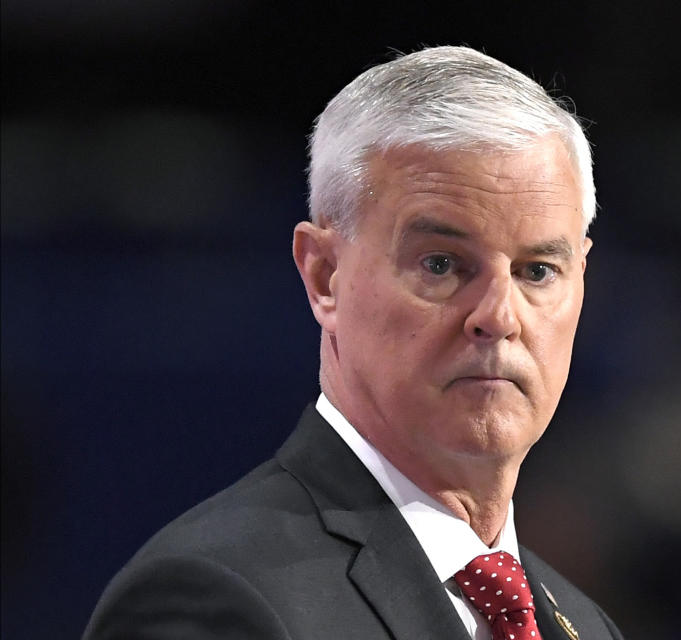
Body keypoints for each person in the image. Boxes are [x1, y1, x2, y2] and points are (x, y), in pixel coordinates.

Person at [84, 45, 623, 640]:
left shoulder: (585, 625)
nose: (499, 316)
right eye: (443, 264)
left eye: (538, 271)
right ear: (323, 276)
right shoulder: (213, 600)